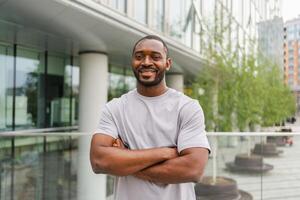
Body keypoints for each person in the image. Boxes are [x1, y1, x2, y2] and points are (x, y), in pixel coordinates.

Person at [90, 35, 211, 200]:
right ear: (132, 61)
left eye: (155, 57)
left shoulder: (187, 107)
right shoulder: (115, 108)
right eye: (139, 57)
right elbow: (99, 161)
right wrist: (164, 153)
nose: (146, 62)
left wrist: (125, 158)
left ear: (167, 64)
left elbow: (193, 169)